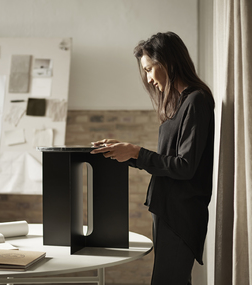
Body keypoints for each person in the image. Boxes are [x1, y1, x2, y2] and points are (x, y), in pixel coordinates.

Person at [90, 31, 215, 285]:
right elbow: (169, 162)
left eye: (149, 69)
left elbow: (185, 167)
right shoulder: (180, 103)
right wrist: (126, 153)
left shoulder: (196, 101)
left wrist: (136, 152)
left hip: (181, 215)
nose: (148, 78)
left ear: (167, 61)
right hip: (168, 211)